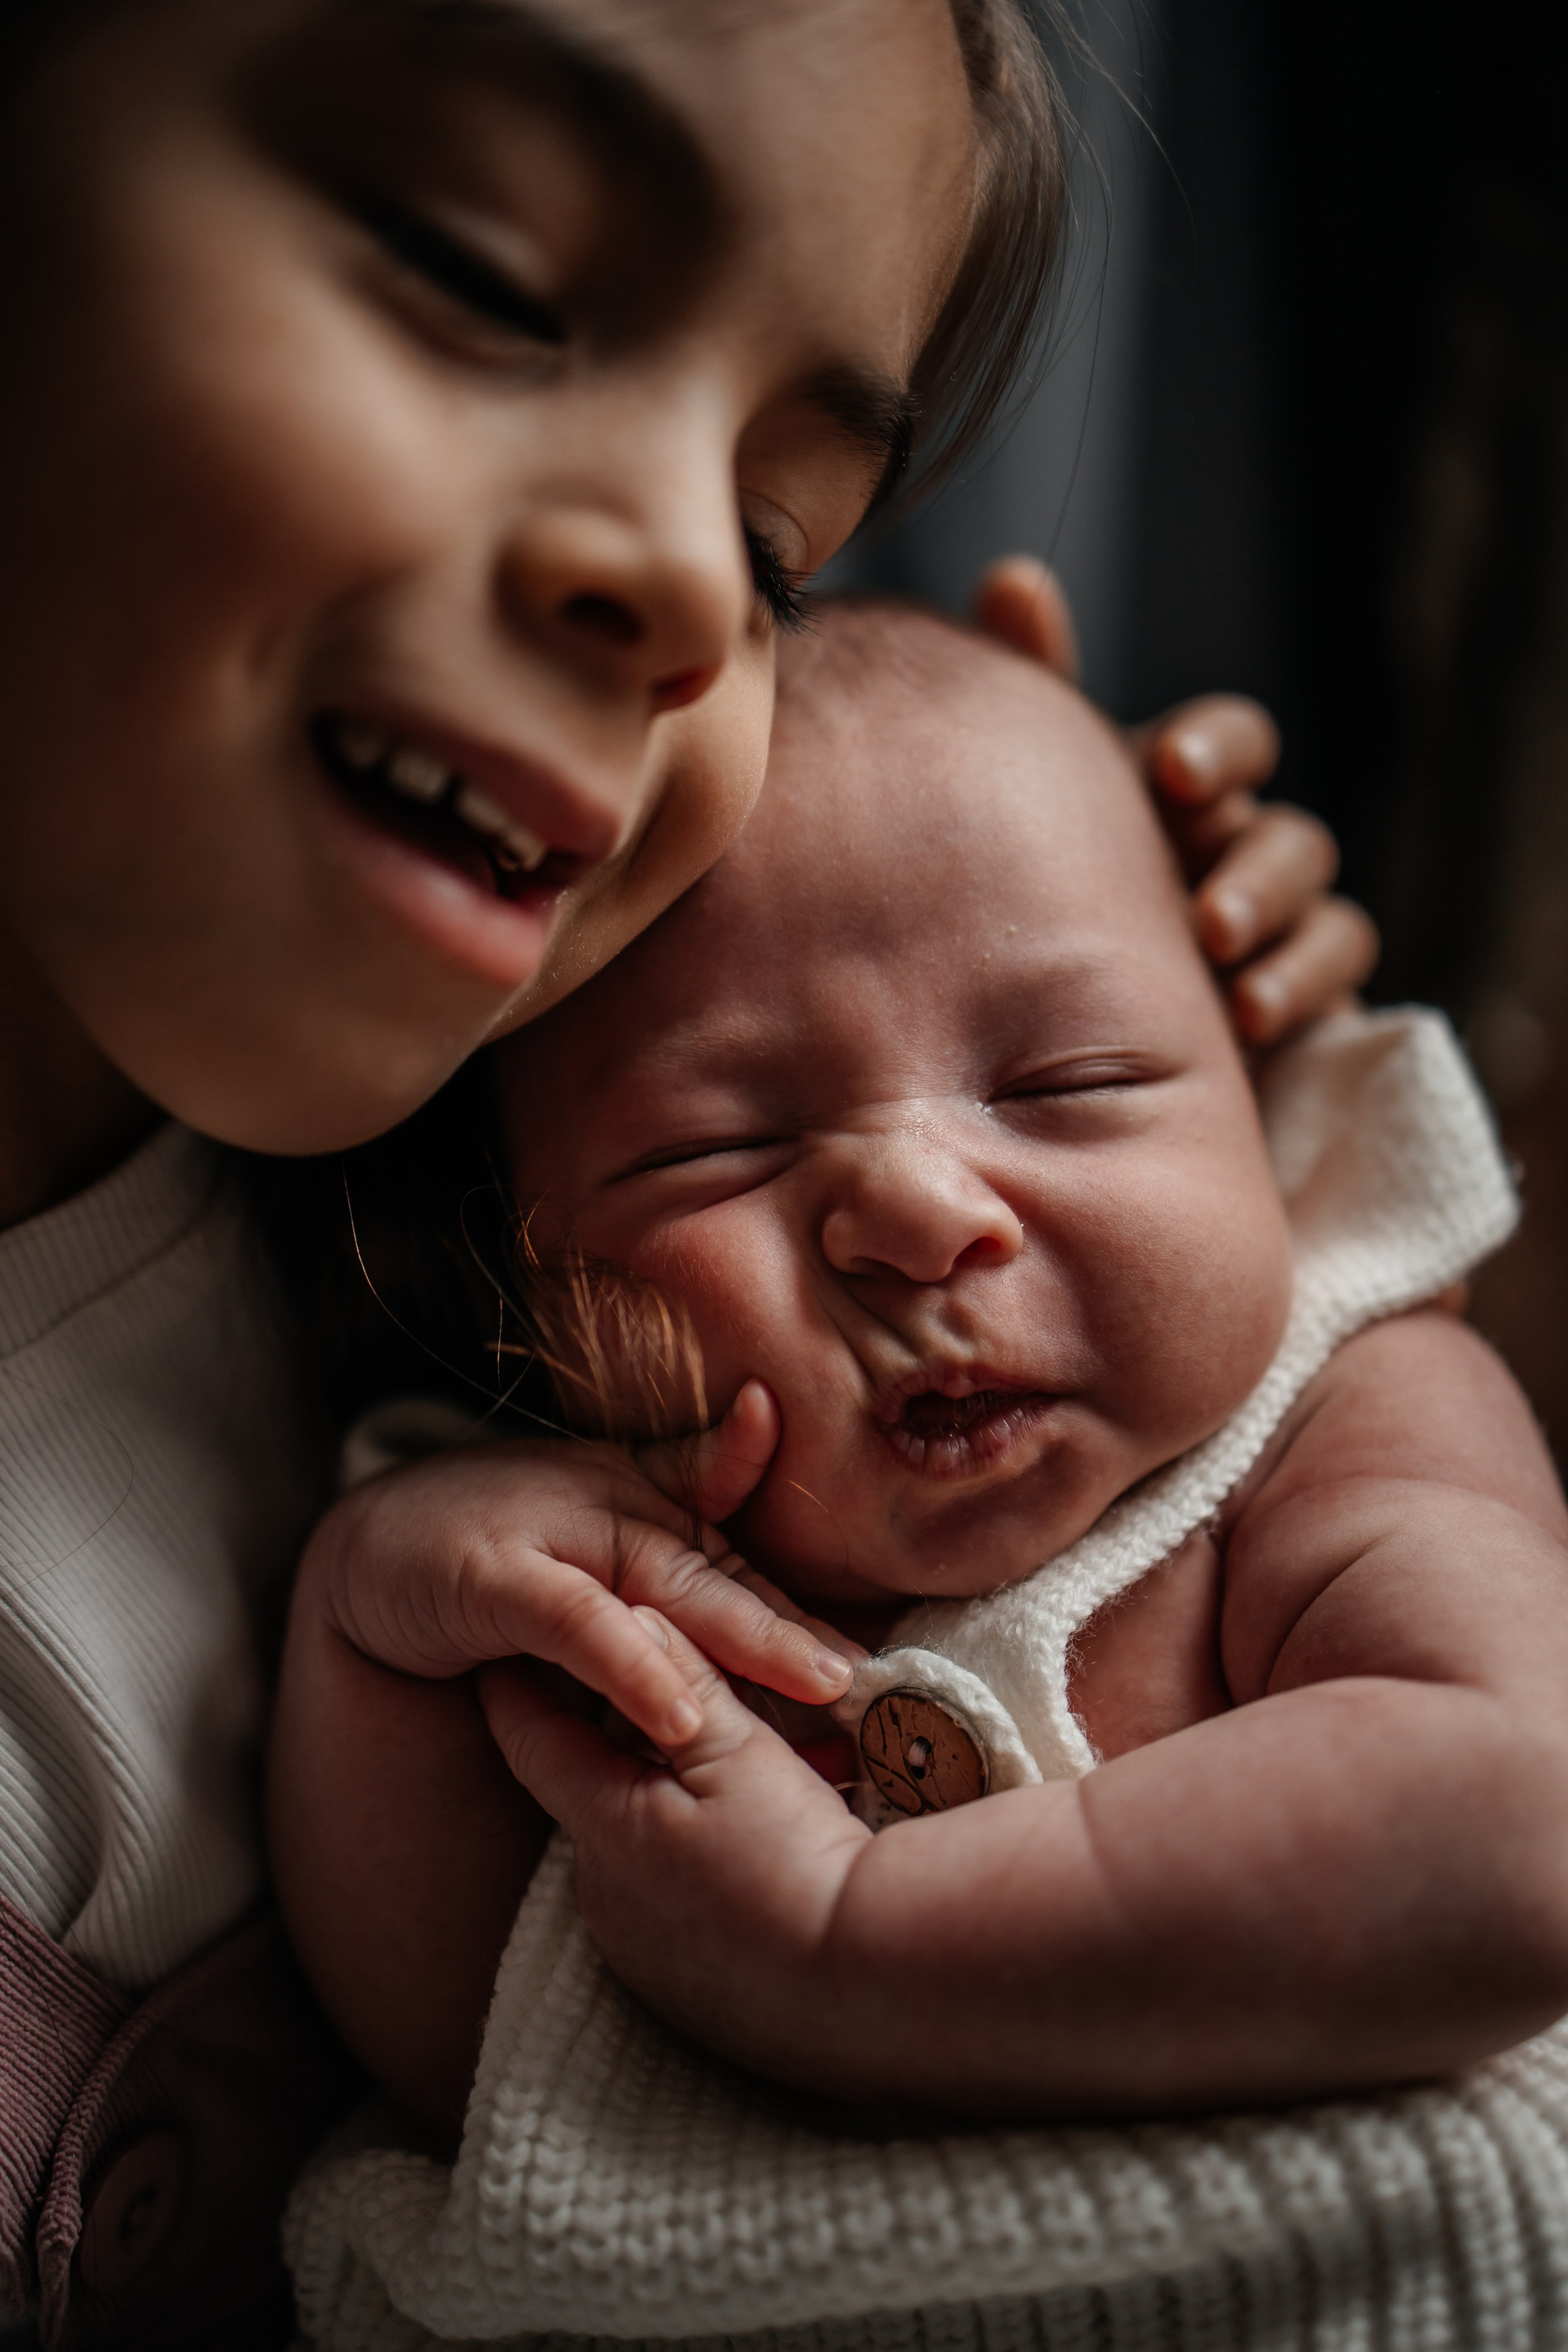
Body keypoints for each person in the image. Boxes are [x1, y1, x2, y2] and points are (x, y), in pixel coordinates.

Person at [0, 2, 1370, 2342]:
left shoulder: (517, 1215)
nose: (672, 581)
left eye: (778, 537)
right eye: (483, 271)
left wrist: (1063, 942)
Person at [271, 603, 1568, 2177]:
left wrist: (842, 1945)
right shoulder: (568, 1553)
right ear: (522, 1284)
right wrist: (366, 1638)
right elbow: (475, 2074)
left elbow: (1516, 1827)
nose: (917, 1211)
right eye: (712, 1152)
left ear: (1261, 1092)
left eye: (1062, 1083)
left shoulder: (1340, 1405)